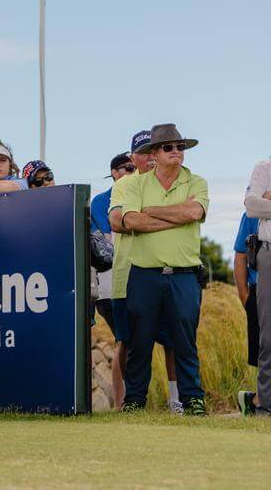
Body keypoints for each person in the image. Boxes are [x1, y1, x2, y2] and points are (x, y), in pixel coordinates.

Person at [112, 124, 208, 415]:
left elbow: (194, 213)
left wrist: (150, 210)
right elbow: (128, 221)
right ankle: (135, 400)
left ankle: (193, 399)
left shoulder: (197, 181)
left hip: (184, 273)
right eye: (169, 147)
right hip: (144, 274)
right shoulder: (135, 184)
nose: (176, 152)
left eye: (180, 147)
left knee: (184, 341)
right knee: (139, 342)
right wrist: (176, 216)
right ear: (154, 153)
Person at [108, 130, 181, 412]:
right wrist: (171, 218)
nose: (150, 157)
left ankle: (176, 401)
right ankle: (129, 402)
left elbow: (189, 215)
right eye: (144, 152)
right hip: (127, 274)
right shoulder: (125, 185)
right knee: (129, 341)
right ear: (133, 157)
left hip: (166, 271)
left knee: (172, 339)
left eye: (155, 151)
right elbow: (117, 220)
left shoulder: (173, 182)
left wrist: (141, 217)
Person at [90, 152, 135, 404]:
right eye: (127, 168)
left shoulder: (140, 193)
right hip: (108, 285)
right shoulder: (101, 201)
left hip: (136, 280)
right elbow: (107, 243)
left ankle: (132, 400)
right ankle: (121, 402)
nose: (132, 172)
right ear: (115, 173)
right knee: (123, 341)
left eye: (134, 168)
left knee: (133, 341)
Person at [243, 156, 271, 417]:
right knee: (269, 335)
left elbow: (263, 204)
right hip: (269, 254)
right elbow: (252, 205)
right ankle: (265, 406)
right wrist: (262, 199)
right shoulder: (265, 167)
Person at [233, 211, 261, 415]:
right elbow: (241, 256)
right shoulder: (252, 214)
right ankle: (257, 401)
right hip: (260, 290)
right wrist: (245, 296)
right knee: (264, 353)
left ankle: (254, 399)